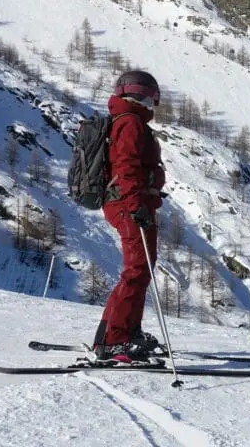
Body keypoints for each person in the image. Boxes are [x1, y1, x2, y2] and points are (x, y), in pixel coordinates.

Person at [92, 70, 166, 362]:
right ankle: (114, 341)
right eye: (151, 97)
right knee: (137, 270)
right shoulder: (131, 123)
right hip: (130, 205)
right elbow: (126, 168)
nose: (152, 104)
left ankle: (120, 333)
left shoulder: (126, 120)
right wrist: (136, 205)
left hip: (132, 203)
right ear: (143, 94)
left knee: (139, 270)